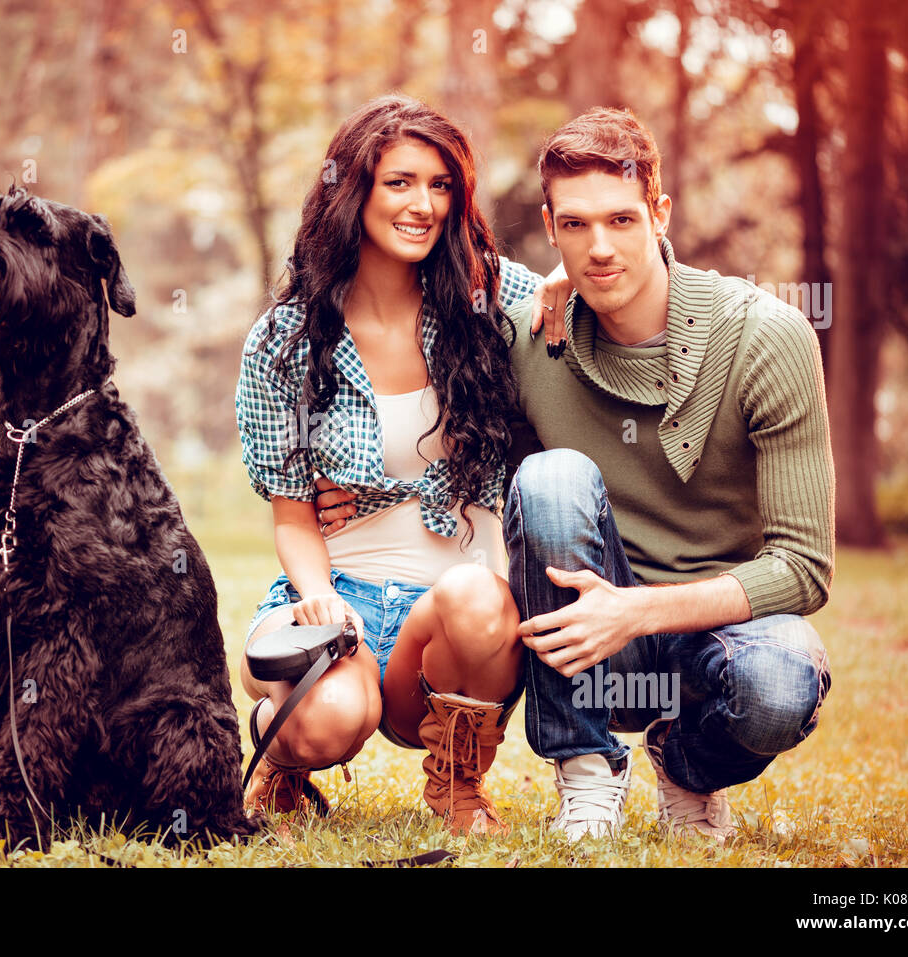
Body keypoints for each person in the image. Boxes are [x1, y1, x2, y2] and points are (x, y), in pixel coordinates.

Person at [316, 107, 835, 844]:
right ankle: (587, 769)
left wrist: (637, 611)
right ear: (550, 225)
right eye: (576, 226)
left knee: (780, 688)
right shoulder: (531, 331)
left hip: (724, 632)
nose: (600, 249)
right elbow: (407, 315)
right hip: (588, 642)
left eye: (622, 221)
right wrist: (352, 487)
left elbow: (806, 568)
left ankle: (684, 765)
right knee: (551, 477)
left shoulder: (767, 337)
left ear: (660, 213)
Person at [234, 94, 557, 835]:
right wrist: (320, 598)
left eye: (441, 185)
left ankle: (459, 782)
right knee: (328, 719)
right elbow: (292, 518)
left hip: (452, 615)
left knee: (477, 596)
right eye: (400, 182)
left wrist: (566, 282)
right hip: (340, 590)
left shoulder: (487, 296)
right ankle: (281, 756)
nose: (424, 204)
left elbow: (604, 297)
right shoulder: (284, 341)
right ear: (353, 191)